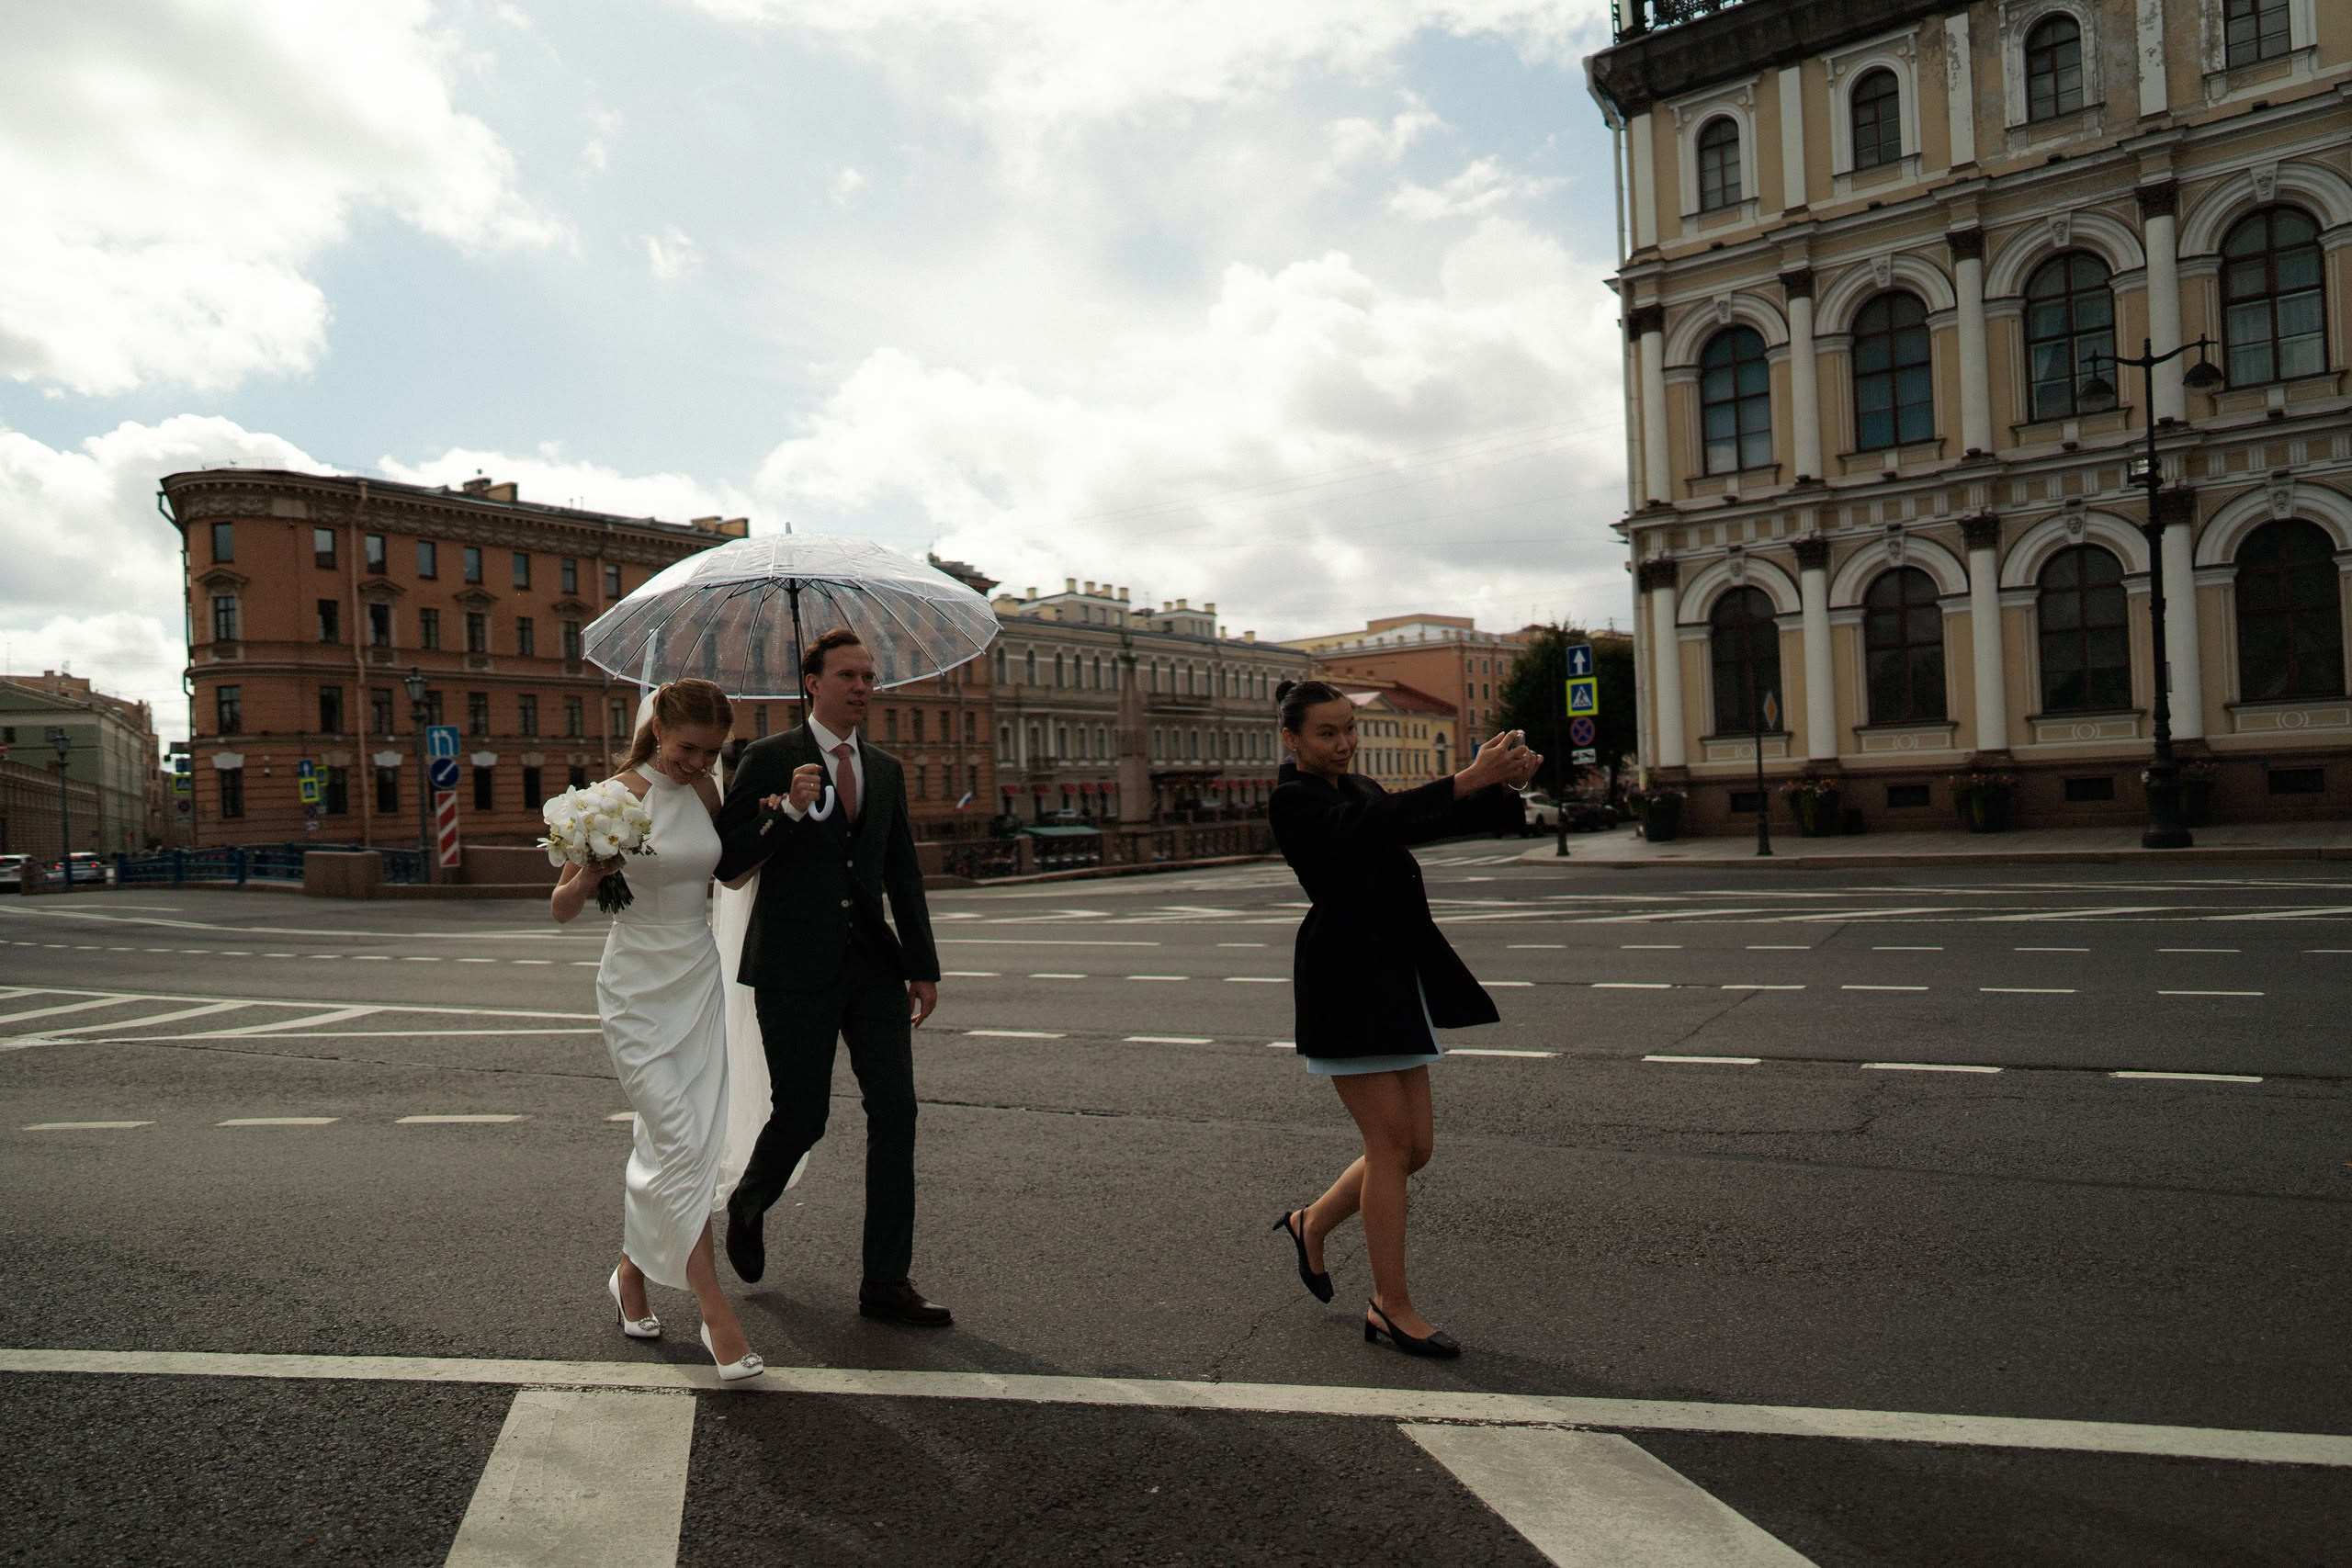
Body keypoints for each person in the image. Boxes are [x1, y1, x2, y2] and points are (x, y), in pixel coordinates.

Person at [1266, 679, 1542, 1359]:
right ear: (1291, 739)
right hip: (1346, 983)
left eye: (1347, 729)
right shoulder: (1293, 801)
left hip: (1395, 978)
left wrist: (1496, 785)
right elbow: (1369, 830)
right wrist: (1464, 775)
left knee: (1415, 1148)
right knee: (1389, 1148)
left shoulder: (1357, 789)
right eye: (1327, 732)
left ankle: (1312, 1221)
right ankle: (1391, 1305)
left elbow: (1422, 822)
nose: (1343, 743)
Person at [713, 628, 950, 1326]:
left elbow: (901, 870)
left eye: (870, 676)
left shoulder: (885, 766)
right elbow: (727, 864)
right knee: (803, 1115)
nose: (863, 686)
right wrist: (785, 811)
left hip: (873, 964)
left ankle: (886, 1280)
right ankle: (750, 1201)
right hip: (792, 966)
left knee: (897, 1114)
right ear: (811, 682)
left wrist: (923, 965)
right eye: (848, 674)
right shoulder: (768, 758)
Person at [551, 678, 765, 1381]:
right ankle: (716, 1315)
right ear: (658, 731)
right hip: (637, 988)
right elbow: (561, 906)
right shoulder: (615, 797)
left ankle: (629, 1276)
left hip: (696, 980)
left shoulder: (707, 793)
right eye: (687, 748)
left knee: (676, 1138)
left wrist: (782, 814)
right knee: (678, 1138)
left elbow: (729, 879)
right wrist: (589, 876)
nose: (698, 763)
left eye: (711, 752)